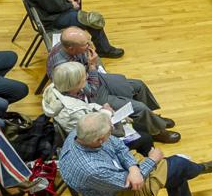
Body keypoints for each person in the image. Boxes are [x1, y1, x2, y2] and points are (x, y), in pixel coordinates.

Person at [59, 112, 212, 196]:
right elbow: (132, 183)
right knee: (178, 166)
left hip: (115, 174)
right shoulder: (92, 169)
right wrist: (151, 160)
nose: (112, 134)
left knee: (175, 169)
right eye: (109, 133)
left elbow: (117, 146)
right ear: (99, 140)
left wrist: (132, 167)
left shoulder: (79, 133)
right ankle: (198, 171)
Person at [47, 27, 177, 142]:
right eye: (85, 44)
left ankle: (152, 120)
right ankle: (157, 131)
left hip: (91, 79)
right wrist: (92, 66)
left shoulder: (67, 45)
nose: (89, 46)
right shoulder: (64, 68)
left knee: (138, 85)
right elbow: (90, 91)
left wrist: (92, 65)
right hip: (90, 94)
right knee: (140, 108)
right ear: (71, 48)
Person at [44, 62, 153, 155]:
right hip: (92, 144)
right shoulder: (73, 111)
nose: (87, 77)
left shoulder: (57, 89)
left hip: (88, 129)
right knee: (145, 138)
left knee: (138, 125)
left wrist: (102, 109)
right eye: (83, 77)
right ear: (74, 84)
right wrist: (107, 113)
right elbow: (92, 131)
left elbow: (86, 108)